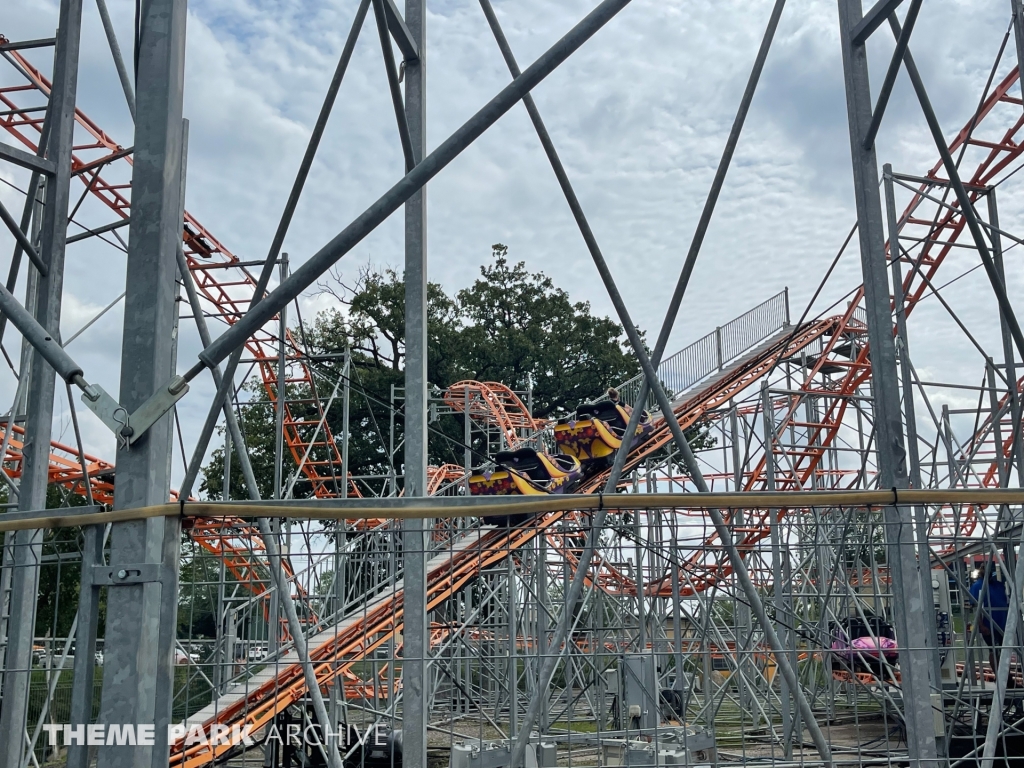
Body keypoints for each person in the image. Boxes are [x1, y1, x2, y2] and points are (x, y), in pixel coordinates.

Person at [969, 561, 1012, 683]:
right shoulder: (978, 586)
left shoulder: (999, 586)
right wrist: (981, 625)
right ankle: (1001, 678)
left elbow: (1007, 602)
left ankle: (1007, 676)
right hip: (989, 625)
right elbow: (975, 608)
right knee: (994, 649)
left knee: (1005, 650)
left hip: (1003, 623)